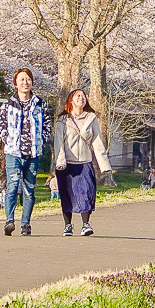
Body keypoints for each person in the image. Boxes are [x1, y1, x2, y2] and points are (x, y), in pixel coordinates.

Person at [0, 67, 51, 236]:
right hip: (13, 152)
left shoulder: (40, 103)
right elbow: (1, 125)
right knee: (12, 187)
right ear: (15, 83)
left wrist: (41, 139)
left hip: (33, 152)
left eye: (28, 79)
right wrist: (9, 139)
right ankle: (9, 220)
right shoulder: (8, 104)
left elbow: (47, 124)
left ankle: (26, 223)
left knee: (29, 189)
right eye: (21, 80)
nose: (25, 82)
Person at [52, 88, 112, 236]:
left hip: (85, 162)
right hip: (67, 163)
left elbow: (97, 141)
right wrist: (60, 161)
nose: (81, 98)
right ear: (71, 100)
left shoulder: (91, 118)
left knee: (87, 192)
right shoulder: (62, 119)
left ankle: (86, 224)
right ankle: (68, 225)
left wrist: (104, 165)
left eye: (83, 96)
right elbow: (58, 142)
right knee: (67, 195)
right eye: (77, 96)